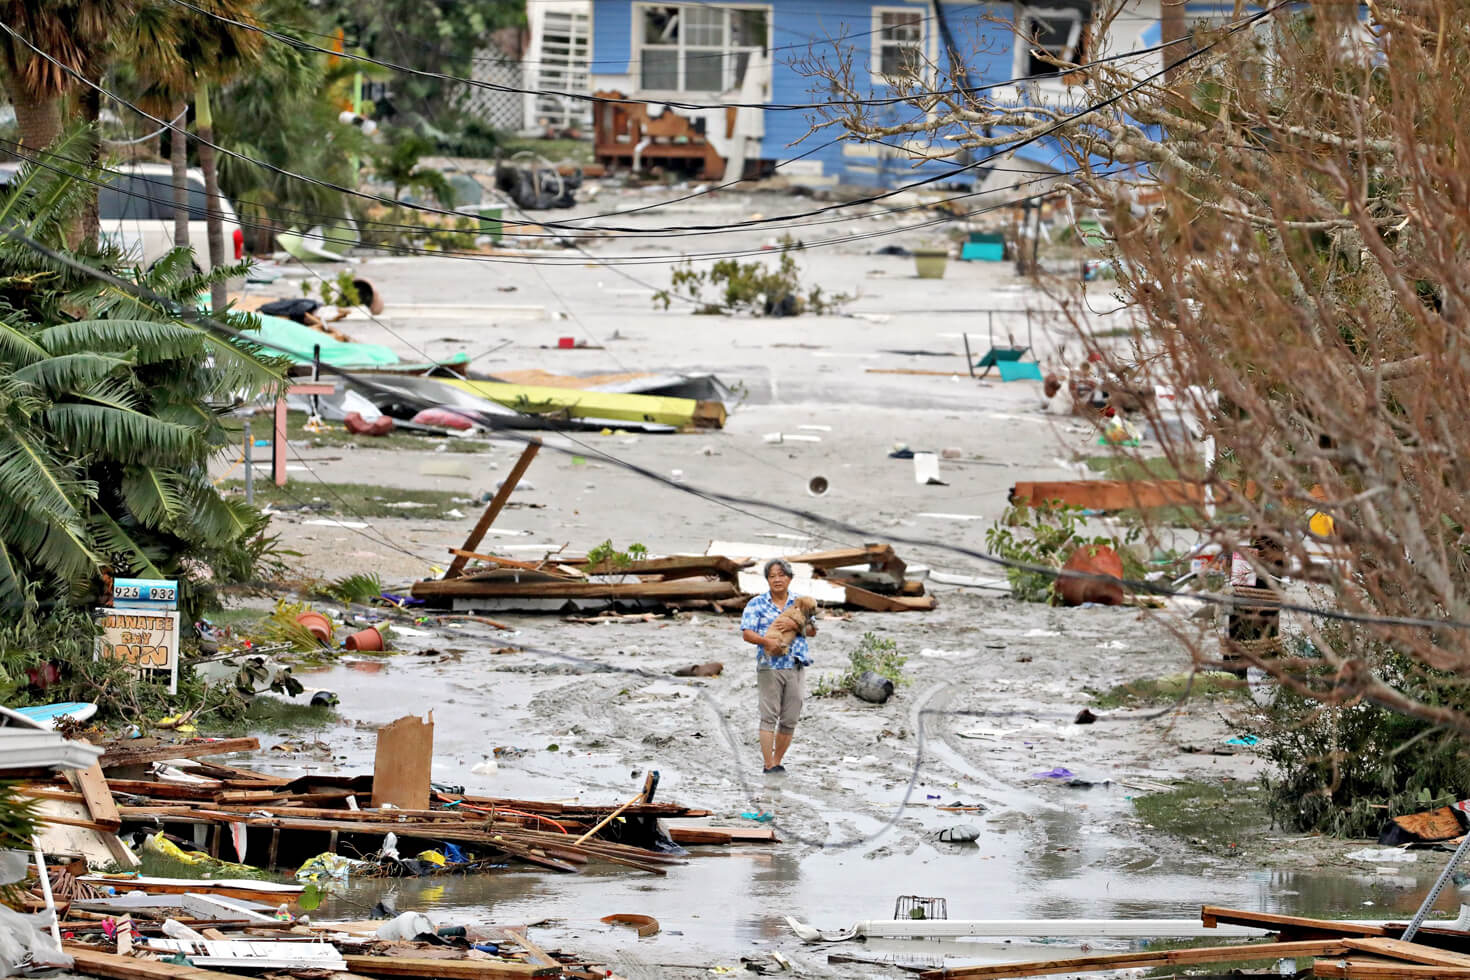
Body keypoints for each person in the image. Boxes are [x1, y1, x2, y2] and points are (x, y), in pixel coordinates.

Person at [740, 558, 816, 775]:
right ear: (767, 580)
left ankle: (777, 760)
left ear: (789, 578)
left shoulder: (801, 602)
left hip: (796, 664)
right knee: (769, 715)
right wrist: (767, 642)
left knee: (791, 716)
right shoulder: (757, 604)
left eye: (781, 575)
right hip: (770, 665)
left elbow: (813, 631)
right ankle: (768, 764)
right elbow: (747, 633)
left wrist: (796, 624)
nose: (777, 579)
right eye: (772, 576)